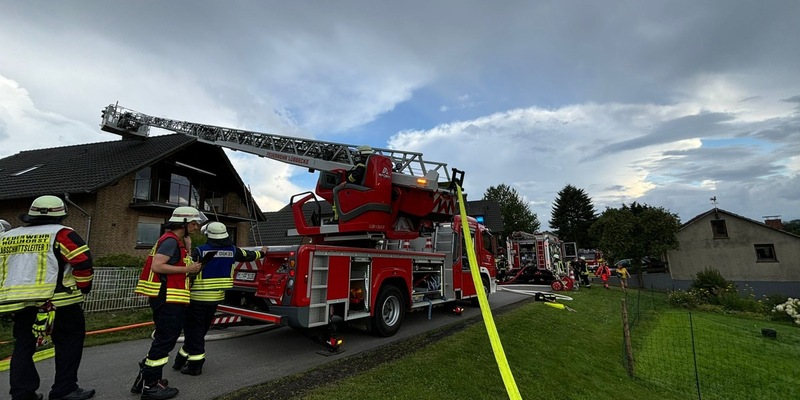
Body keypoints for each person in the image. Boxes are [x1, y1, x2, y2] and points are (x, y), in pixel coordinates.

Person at [0, 195, 95, 400]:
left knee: (24, 345)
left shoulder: (8, 236)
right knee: (68, 343)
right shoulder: (62, 234)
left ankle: (22, 394)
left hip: (20, 302)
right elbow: (82, 261)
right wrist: (84, 287)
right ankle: (64, 390)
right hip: (59, 301)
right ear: (61, 215)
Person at [172, 222, 268, 376]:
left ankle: (195, 365)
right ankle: (181, 359)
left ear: (209, 235)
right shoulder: (232, 250)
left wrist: (188, 247)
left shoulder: (200, 251)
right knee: (200, 330)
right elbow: (249, 255)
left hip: (197, 298)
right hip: (216, 298)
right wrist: (262, 252)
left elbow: (186, 267)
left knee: (194, 330)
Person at [130, 206, 206, 400]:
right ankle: (151, 386)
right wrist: (187, 269)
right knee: (165, 340)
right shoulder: (170, 241)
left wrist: (188, 249)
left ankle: (145, 379)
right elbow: (158, 266)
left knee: (164, 338)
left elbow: (179, 264)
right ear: (183, 224)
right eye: (194, 223)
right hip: (167, 299)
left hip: (168, 298)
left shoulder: (174, 241)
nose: (196, 227)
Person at [331, 145, 373, 222]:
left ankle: (336, 218)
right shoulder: (370, 162)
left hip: (356, 186)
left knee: (336, 190)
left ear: (361, 153)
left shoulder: (361, 163)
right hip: (362, 186)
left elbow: (356, 175)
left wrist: (347, 181)